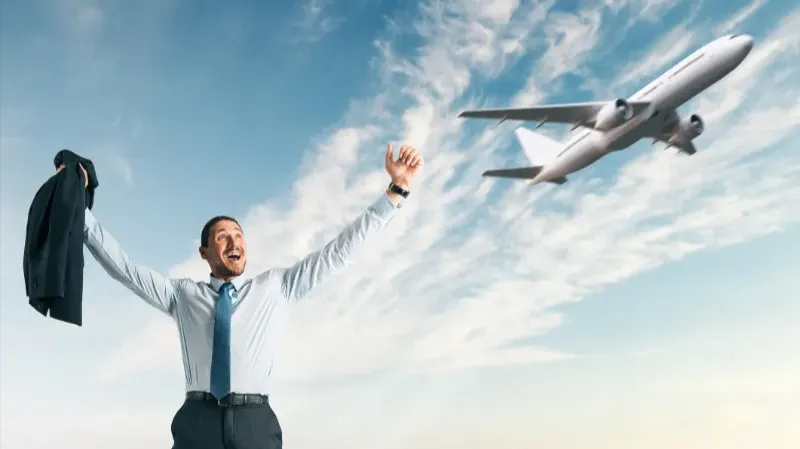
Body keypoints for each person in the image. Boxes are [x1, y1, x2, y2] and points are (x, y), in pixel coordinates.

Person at [72, 144, 423, 448]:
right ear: (204, 252)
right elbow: (125, 268)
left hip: (256, 421)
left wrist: (395, 192)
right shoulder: (181, 295)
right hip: (198, 421)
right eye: (222, 236)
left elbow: (338, 252)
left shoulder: (276, 287)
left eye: (238, 235)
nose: (233, 241)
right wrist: (77, 208)